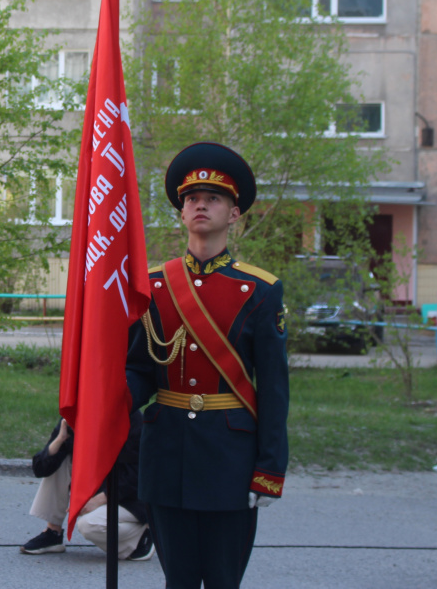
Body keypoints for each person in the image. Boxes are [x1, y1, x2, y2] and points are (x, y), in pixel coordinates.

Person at [125, 142, 288, 589]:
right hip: (167, 453)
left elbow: (273, 388)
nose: (200, 204)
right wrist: (113, 400)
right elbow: (139, 369)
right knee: (177, 581)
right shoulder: (153, 287)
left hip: (230, 459)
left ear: (234, 214)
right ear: (181, 213)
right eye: (192, 199)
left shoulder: (259, 291)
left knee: (221, 581)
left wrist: (270, 469)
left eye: (213, 198)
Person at [19, 410, 153, 561]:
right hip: (99, 486)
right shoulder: (77, 411)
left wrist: (100, 499)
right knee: (59, 458)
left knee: (89, 525)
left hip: (130, 498)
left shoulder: (130, 417)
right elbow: (41, 469)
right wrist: (60, 439)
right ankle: (53, 532)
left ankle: (141, 538)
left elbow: (139, 475)